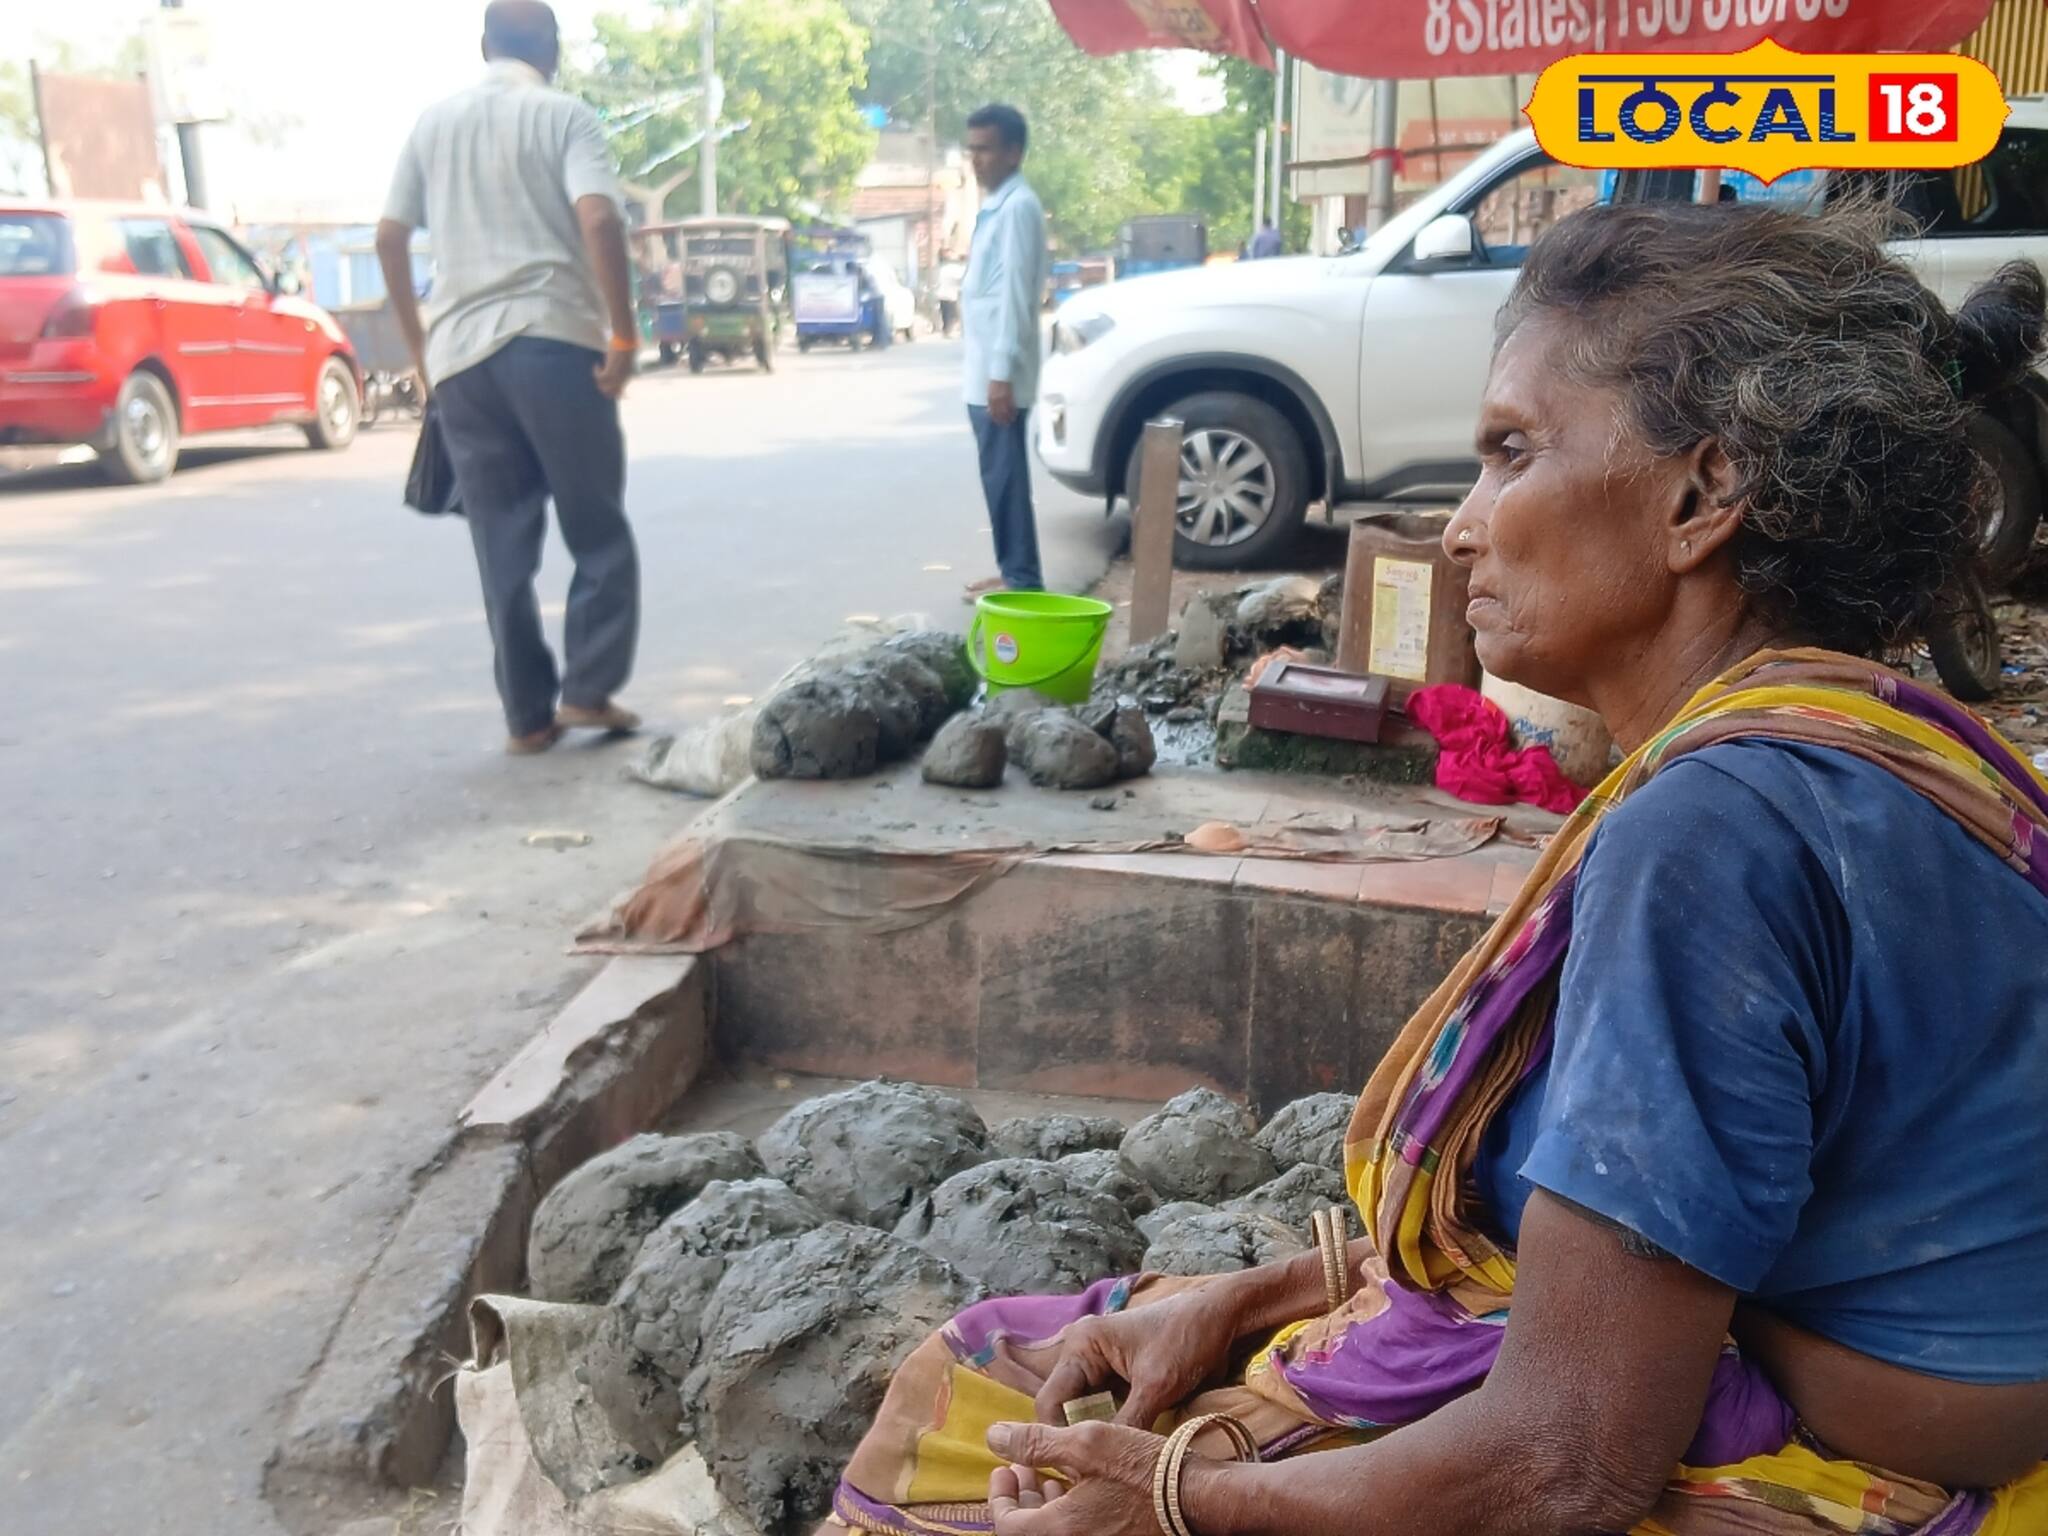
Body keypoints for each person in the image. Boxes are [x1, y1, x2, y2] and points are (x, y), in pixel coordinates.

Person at [825, 200, 2048, 1534]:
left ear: (1702, 497)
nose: (1461, 528)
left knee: (974, 1425)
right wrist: (1250, 1290)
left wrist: (1185, 1503)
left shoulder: (1714, 831)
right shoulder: (1890, 752)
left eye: (1510, 454)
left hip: (1853, 1467)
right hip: (1780, 1368)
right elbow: (1655, 1241)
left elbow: (1566, 1461)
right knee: (1112, 1358)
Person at [376, 0, 642, 756]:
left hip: (461, 363)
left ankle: (527, 718)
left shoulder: (432, 123)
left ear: (481, 44)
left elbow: (388, 236)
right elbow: (599, 219)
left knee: (501, 544)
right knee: (597, 528)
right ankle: (588, 691)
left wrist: (420, 350)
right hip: (554, 343)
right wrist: (622, 335)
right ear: (552, 49)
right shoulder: (564, 116)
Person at [960, 103, 1049, 600]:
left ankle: (1022, 580)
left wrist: (1001, 375)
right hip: (984, 370)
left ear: (1013, 152)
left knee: (1006, 479)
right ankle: (1013, 569)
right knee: (999, 478)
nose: (977, 159)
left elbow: (1017, 297)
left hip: (999, 373)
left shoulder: (1018, 208)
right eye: (972, 149)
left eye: (986, 149)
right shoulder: (999, 205)